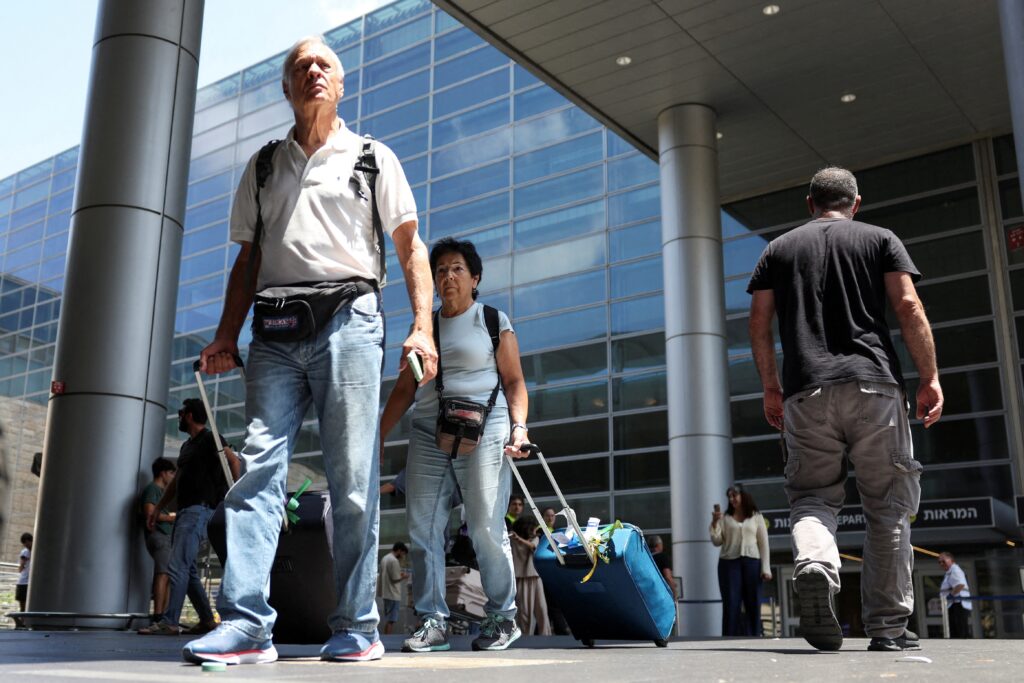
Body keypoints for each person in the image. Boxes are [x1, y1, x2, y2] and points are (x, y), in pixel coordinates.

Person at [185, 35, 437, 666]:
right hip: (273, 330)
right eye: (301, 66)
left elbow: (411, 247)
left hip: (350, 319)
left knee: (352, 480)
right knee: (256, 471)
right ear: (287, 88)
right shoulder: (264, 166)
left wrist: (422, 327)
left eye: (325, 64)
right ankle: (247, 624)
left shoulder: (373, 158)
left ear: (341, 85)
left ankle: (358, 626)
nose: (314, 71)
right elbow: (248, 260)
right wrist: (226, 334)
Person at [748, 167, 943, 653]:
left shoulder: (778, 250)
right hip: (875, 387)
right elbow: (908, 305)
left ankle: (815, 564)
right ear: (855, 203)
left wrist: (771, 388)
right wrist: (929, 377)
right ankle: (888, 626)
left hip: (806, 391)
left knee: (812, 498)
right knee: (889, 506)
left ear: (809, 202)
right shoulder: (880, 238)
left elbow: (758, 322)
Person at [379, 237, 530, 654]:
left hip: (485, 428)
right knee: (423, 528)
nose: (448, 276)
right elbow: (404, 389)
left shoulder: (492, 320)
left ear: (475, 278)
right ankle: (433, 621)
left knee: (484, 526)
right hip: (429, 432)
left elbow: (515, 382)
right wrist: (378, 436)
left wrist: (519, 428)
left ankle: (502, 617)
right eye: (441, 270)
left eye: (457, 268)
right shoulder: (424, 328)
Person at [139, 399, 240, 636]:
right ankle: (207, 620)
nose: (179, 416)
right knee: (189, 569)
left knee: (178, 565)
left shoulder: (210, 438)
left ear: (191, 415)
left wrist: (237, 496)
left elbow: (233, 460)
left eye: (181, 412)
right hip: (186, 512)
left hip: (199, 510)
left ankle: (170, 622)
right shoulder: (187, 446)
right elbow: (176, 482)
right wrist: (158, 508)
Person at [709, 485, 771, 636]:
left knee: (753, 602)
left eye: (734, 495)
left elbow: (763, 544)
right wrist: (715, 523)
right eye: (729, 496)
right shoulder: (725, 518)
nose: (732, 499)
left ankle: (754, 636)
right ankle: (729, 637)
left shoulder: (756, 516)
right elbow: (717, 541)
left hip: (752, 563)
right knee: (731, 602)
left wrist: (766, 568)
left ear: (743, 495)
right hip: (729, 563)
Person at [141, 457, 177, 619]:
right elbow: (150, 513)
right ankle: (158, 614)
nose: (172, 477)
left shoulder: (158, 491)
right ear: (163, 473)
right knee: (162, 574)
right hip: (160, 536)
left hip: (163, 537)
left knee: (167, 574)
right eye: (171, 473)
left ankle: (163, 614)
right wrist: (172, 518)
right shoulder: (152, 489)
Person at [510, 515, 550, 636]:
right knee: (524, 611)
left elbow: (533, 546)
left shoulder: (535, 539)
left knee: (542, 609)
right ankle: (525, 636)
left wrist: (518, 539)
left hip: (535, 576)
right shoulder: (512, 540)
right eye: (533, 527)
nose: (535, 530)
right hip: (521, 577)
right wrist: (516, 538)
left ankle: (545, 635)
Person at [938, 552, 972, 638]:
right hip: (955, 604)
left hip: (958, 604)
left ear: (951, 560)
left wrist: (949, 596)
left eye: (943, 561)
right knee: (956, 630)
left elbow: (960, 585)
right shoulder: (950, 572)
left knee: (959, 631)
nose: (941, 564)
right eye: (939, 562)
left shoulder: (955, 570)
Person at [379, 543, 409, 635]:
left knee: (388, 619)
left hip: (386, 593)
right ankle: (388, 638)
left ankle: (386, 638)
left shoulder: (385, 558)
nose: (403, 556)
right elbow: (395, 578)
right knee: (391, 620)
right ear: (399, 550)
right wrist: (404, 576)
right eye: (403, 553)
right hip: (393, 594)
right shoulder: (394, 561)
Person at [649, 535, 679, 602]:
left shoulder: (647, 558)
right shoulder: (662, 557)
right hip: (662, 595)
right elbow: (667, 577)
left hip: (649, 594)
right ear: (658, 545)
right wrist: (674, 592)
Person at [15, 532, 32, 627]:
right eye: (24, 544)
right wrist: (23, 562)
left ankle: (25, 622)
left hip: (30, 582)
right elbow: (20, 569)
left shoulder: (36, 550)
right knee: (23, 605)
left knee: (27, 605)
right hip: (23, 581)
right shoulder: (25, 552)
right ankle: (22, 623)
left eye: (27, 543)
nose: (26, 545)